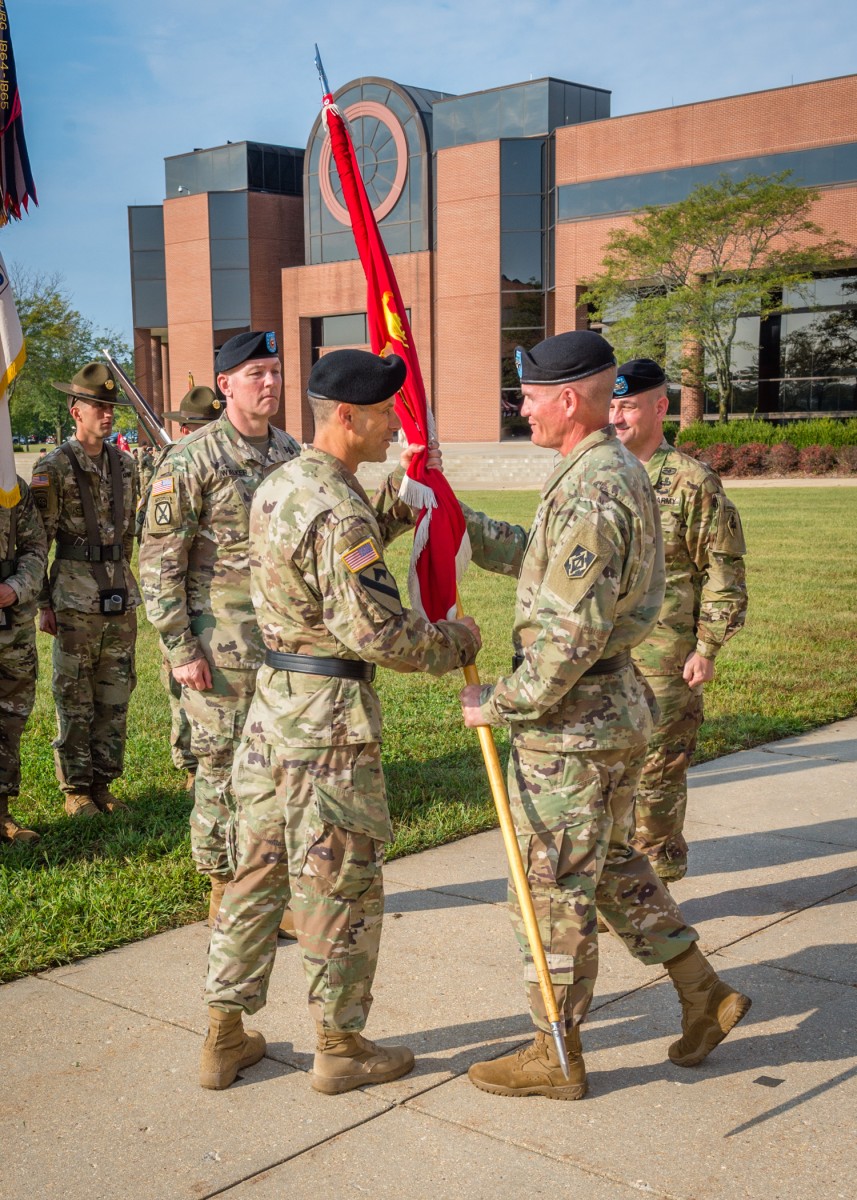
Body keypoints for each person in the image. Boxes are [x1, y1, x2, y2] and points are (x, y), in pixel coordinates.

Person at [458, 331, 751, 1101]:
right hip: (610, 710)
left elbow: (570, 634)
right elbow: (550, 564)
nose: (520, 409)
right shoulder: (603, 469)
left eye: (526, 397)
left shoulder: (593, 486)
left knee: (554, 887)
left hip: (573, 725)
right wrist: (462, 526)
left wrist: (497, 704)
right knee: (615, 865)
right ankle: (702, 993)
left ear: (565, 400)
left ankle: (554, 1052)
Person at [200, 349, 481, 1095]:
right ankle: (340, 1047)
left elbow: (313, 579)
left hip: (273, 711)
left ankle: (223, 1037)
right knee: (338, 883)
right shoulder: (337, 506)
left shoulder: (282, 483)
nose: (395, 425)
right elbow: (376, 633)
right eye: (387, 414)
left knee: (256, 873)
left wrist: (396, 504)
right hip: (328, 726)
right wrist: (456, 642)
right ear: (348, 417)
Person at [139, 332, 301, 926]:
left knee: (277, 764)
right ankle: (224, 889)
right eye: (257, 372)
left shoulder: (290, 452)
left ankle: (267, 887)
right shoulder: (192, 458)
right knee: (220, 765)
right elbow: (159, 563)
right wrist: (181, 647)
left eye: (276, 372)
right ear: (226, 384)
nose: (270, 383)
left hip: (285, 643)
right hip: (219, 642)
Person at [610, 359, 747, 881]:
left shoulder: (693, 482)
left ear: (659, 407)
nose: (617, 417)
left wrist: (708, 647)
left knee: (657, 781)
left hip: (665, 661)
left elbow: (724, 569)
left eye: (628, 405)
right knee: (610, 777)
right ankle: (620, 888)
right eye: (613, 405)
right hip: (604, 658)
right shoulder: (605, 475)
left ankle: (656, 891)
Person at [32, 363, 139, 816]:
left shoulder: (126, 465)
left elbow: (130, 531)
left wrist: (124, 578)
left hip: (118, 593)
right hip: (74, 596)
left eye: (111, 406)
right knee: (74, 694)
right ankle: (77, 790)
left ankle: (104, 782)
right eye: (98, 405)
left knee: (115, 693)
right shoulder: (52, 467)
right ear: (76, 411)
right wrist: (43, 603)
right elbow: (39, 539)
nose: (107, 414)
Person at [137, 385, 223, 789]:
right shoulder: (175, 466)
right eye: (201, 427)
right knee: (181, 684)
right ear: (187, 429)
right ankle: (189, 763)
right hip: (182, 598)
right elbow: (155, 542)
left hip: (222, 606)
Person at [0, 475, 48, 843]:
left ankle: (1, 814)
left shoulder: (10, 487)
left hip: (10, 629)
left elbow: (35, 547)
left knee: (9, 720)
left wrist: (14, 589)